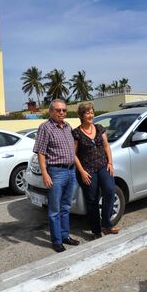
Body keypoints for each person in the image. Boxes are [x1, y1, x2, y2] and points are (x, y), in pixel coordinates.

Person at [33, 99, 79, 253]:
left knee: (66, 207)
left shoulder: (67, 127)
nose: (61, 113)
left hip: (70, 171)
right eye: (58, 110)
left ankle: (65, 235)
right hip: (56, 172)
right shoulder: (45, 127)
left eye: (64, 110)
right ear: (51, 111)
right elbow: (41, 152)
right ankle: (56, 240)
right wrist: (45, 173)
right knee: (54, 209)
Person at [72, 103, 120, 239]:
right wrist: (81, 171)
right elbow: (74, 154)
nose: (91, 115)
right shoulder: (76, 133)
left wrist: (110, 162)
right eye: (87, 113)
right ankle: (96, 230)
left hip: (103, 166)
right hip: (87, 171)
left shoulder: (99, 128)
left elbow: (106, 146)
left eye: (92, 112)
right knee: (92, 200)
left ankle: (106, 222)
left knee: (110, 191)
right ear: (81, 115)